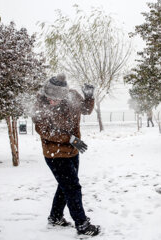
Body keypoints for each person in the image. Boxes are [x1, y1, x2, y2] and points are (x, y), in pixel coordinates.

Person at [32, 73, 100, 237]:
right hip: (54, 154)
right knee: (72, 188)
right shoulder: (40, 104)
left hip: (72, 151)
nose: (51, 101)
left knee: (65, 186)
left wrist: (89, 97)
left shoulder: (72, 95)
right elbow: (44, 131)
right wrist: (70, 139)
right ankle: (82, 225)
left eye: (55, 98)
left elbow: (85, 110)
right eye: (50, 97)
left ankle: (55, 217)